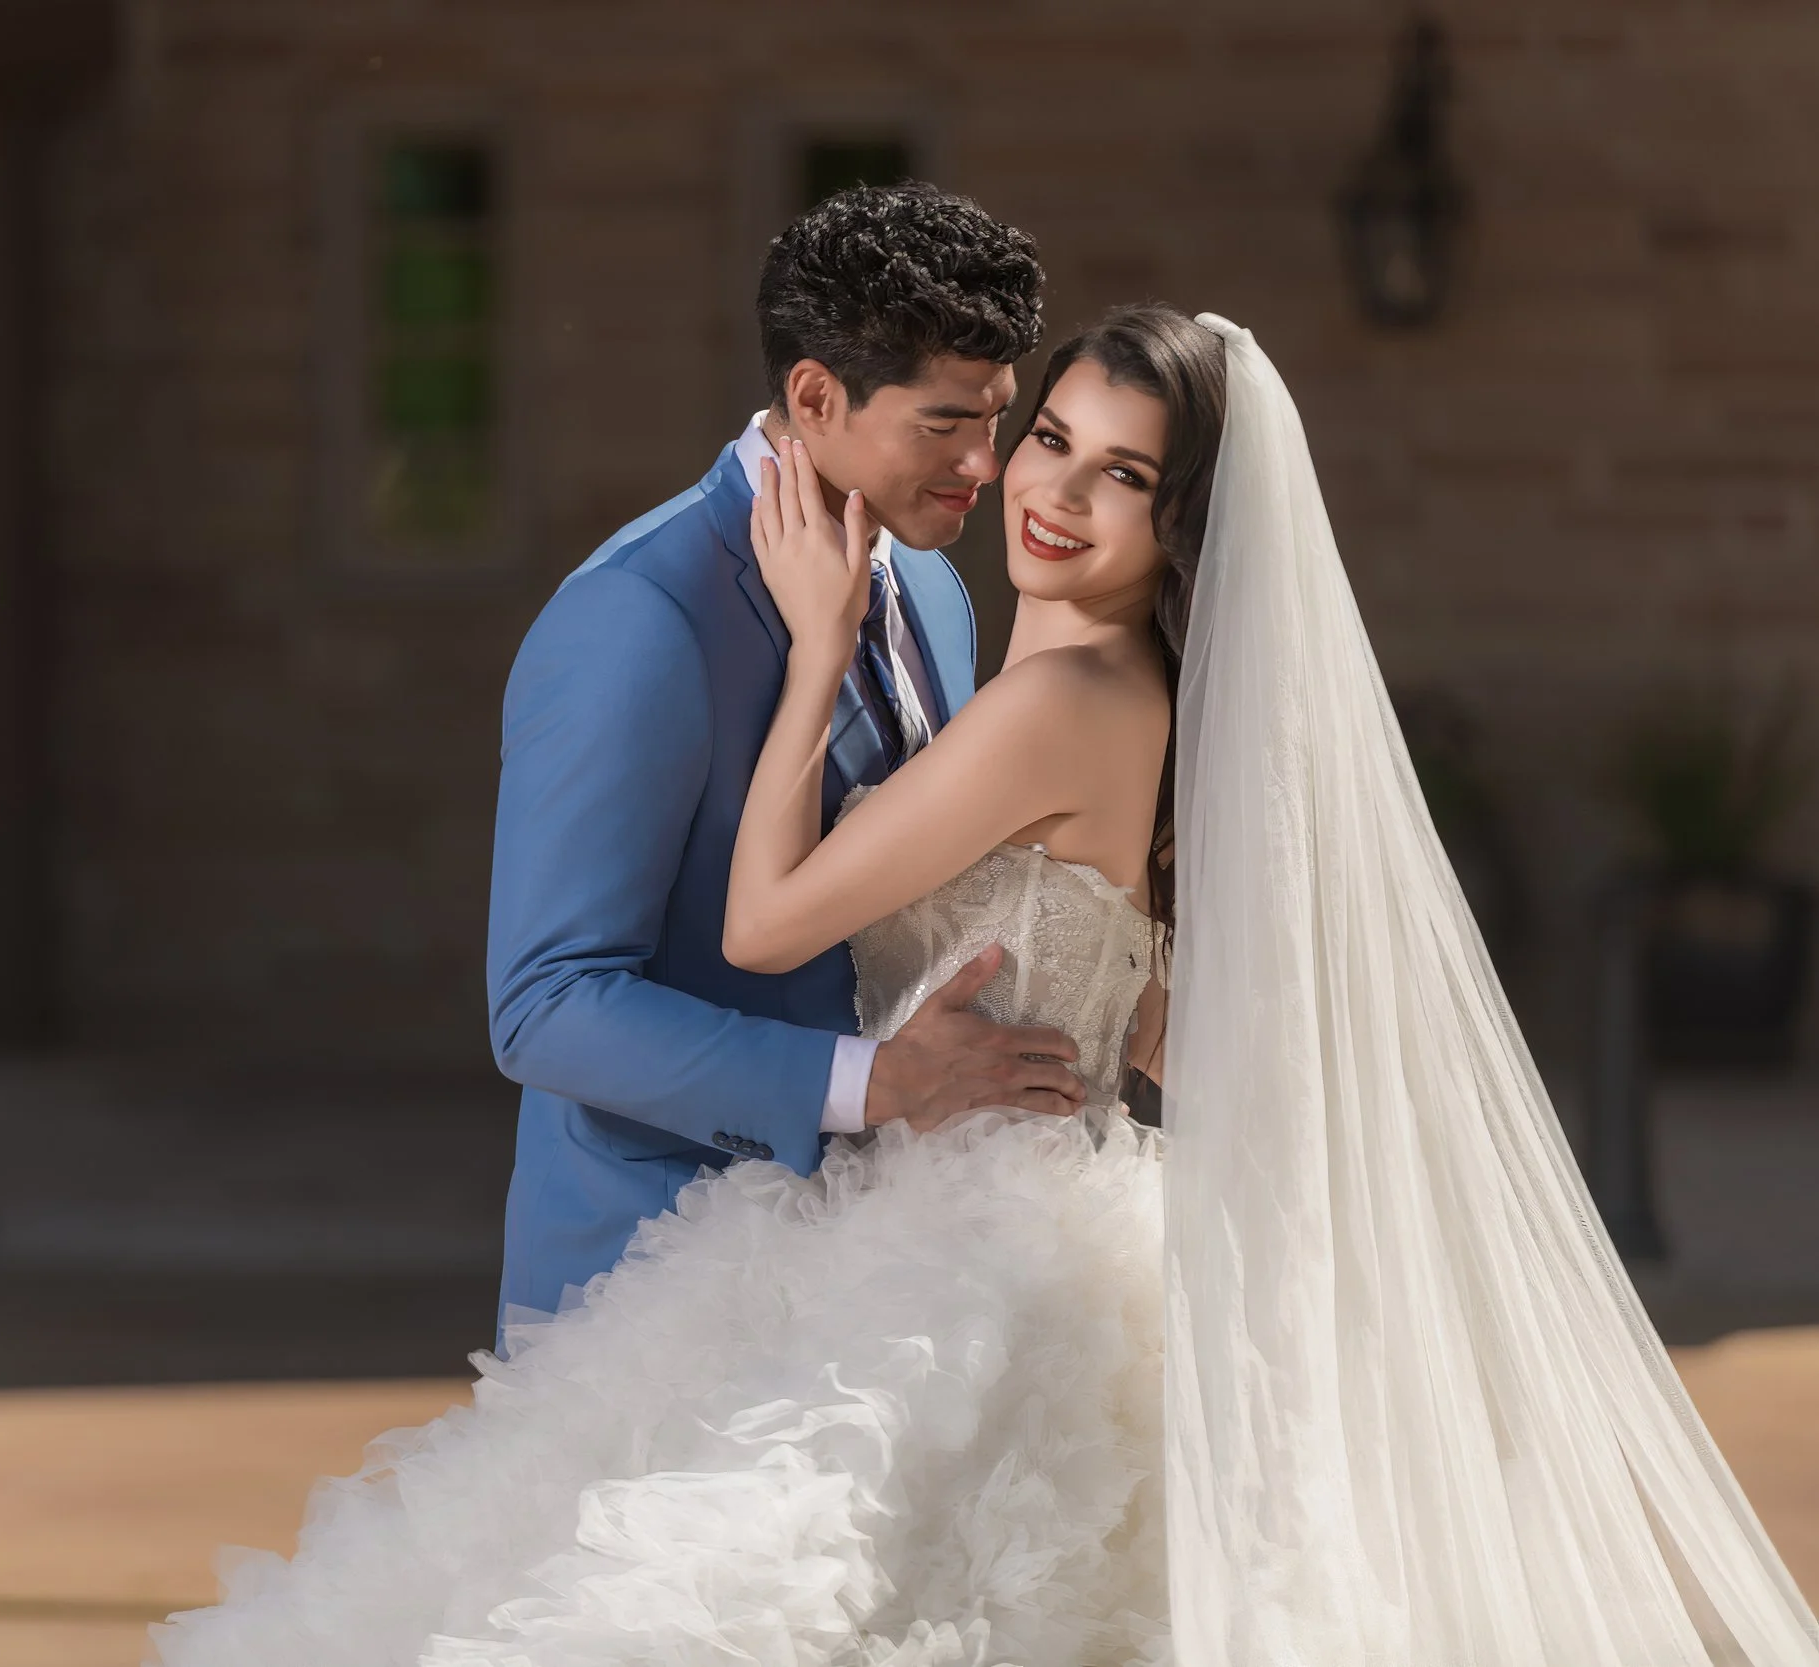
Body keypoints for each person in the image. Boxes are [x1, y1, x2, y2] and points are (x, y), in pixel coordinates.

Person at [153, 297, 1819, 1665]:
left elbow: (766, 923)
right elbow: (1150, 993)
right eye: (1049, 440)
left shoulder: (1054, 696)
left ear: (1188, 527)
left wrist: (813, 651)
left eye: (1126, 476)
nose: (1053, 492)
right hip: (1027, 1194)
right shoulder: (1123, 688)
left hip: (967, 1229)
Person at [481, 183, 1082, 1330]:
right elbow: (546, 1004)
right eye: (945, 423)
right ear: (815, 395)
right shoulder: (638, 614)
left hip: (894, 1271)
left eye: (997, 419)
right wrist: (870, 1083)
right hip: (658, 1286)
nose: (986, 465)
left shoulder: (936, 590)